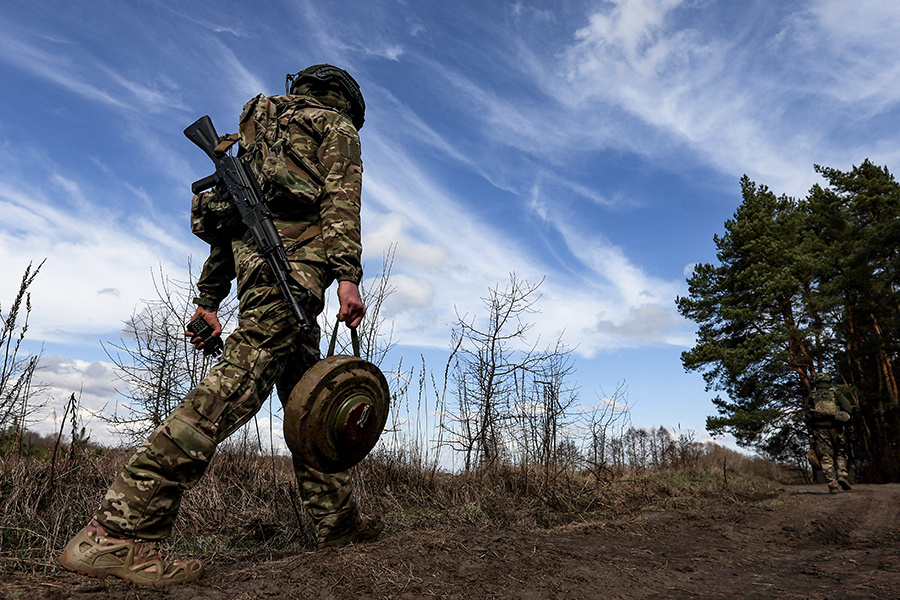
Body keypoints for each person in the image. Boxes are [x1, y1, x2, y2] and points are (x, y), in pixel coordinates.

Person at [59, 64, 381, 586]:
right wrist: (347, 276)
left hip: (263, 273)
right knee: (230, 390)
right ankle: (119, 533)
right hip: (294, 276)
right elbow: (342, 202)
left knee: (311, 398)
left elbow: (234, 223)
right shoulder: (333, 127)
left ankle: (339, 523)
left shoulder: (258, 137)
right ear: (343, 99)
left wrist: (209, 299)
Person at [805, 372, 854, 494]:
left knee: (826, 457)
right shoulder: (836, 393)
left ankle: (832, 484)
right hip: (837, 429)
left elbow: (808, 416)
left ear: (816, 382)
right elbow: (848, 410)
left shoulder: (812, 396)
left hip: (821, 431)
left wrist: (810, 433)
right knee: (840, 453)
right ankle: (842, 474)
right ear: (828, 381)